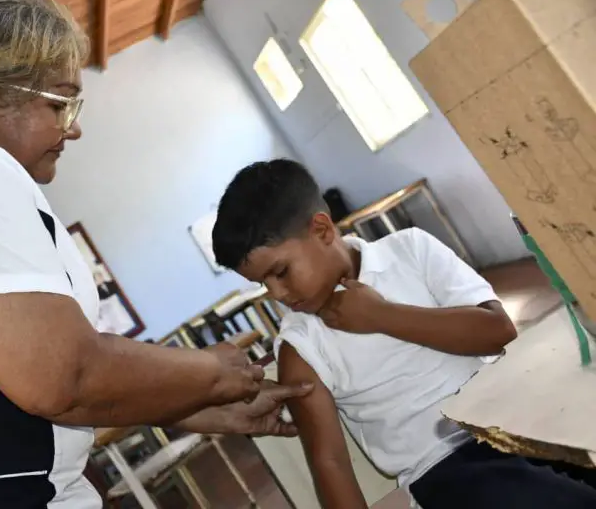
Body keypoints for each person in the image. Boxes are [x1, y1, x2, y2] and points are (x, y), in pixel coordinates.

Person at [0, 0, 313, 508]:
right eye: (59, 104)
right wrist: (212, 374)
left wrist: (189, 404)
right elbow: (63, 376)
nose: (73, 128)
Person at [211, 158, 596, 509]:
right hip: (446, 468)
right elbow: (329, 463)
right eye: (262, 284)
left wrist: (383, 316)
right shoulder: (300, 347)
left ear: (322, 230)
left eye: (280, 272)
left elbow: (497, 331)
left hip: (517, 419)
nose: (277, 294)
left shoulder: (410, 250)